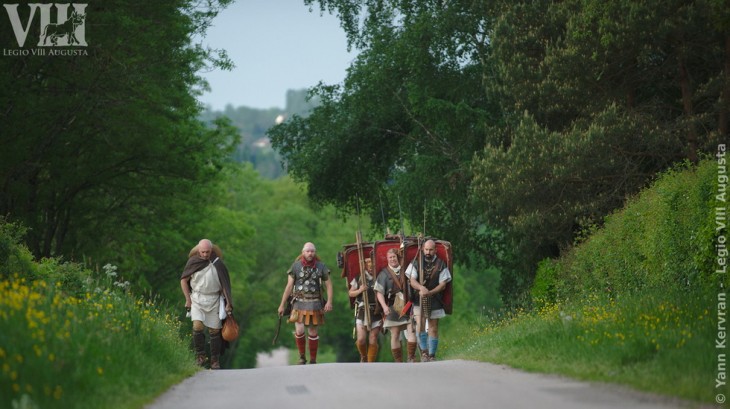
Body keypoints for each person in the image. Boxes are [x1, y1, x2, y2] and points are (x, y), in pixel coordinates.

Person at [180, 239, 234, 369]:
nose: (205, 254)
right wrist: (188, 299)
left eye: (207, 252)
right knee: (197, 326)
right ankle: (200, 356)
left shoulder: (218, 264)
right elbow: (183, 280)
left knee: (214, 330)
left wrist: (228, 303)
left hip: (214, 299)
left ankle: (215, 360)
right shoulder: (193, 262)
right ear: (198, 251)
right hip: (197, 298)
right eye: (203, 252)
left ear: (212, 250)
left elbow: (225, 286)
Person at [278, 242, 333, 364]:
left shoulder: (321, 266)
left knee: (313, 331)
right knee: (299, 330)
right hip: (298, 302)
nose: (310, 253)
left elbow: (328, 285)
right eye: (308, 251)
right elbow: (289, 286)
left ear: (315, 252)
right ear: (303, 252)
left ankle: (313, 359)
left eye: (312, 251)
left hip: (315, 302)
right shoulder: (296, 267)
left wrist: (329, 301)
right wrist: (282, 305)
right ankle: (302, 356)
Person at [407, 239, 452, 362]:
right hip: (418, 298)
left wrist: (430, 292)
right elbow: (412, 280)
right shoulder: (416, 263)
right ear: (422, 249)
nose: (428, 252)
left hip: (435, 299)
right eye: (426, 249)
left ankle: (432, 354)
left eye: (431, 249)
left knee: (433, 327)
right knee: (420, 325)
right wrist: (421, 288)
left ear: (435, 250)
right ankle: (424, 353)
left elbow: (443, 284)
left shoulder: (441, 264)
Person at [375, 248, 418, 363]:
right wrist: (384, 307)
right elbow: (379, 292)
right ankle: (398, 361)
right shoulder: (384, 274)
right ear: (387, 259)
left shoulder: (407, 270)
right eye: (390, 257)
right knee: (395, 334)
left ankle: (411, 357)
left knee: (412, 330)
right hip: (392, 306)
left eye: (394, 257)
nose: (393, 259)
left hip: (407, 304)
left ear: (397, 258)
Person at [347, 257, 383, 362]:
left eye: (372, 266)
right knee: (361, 339)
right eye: (369, 266)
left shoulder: (379, 277)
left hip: (376, 311)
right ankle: (363, 356)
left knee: (373, 338)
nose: (371, 268)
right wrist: (360, 290)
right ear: (365, 266)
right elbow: (351, 293)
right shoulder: (359, 278)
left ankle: (370, 363)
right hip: (362, 311)